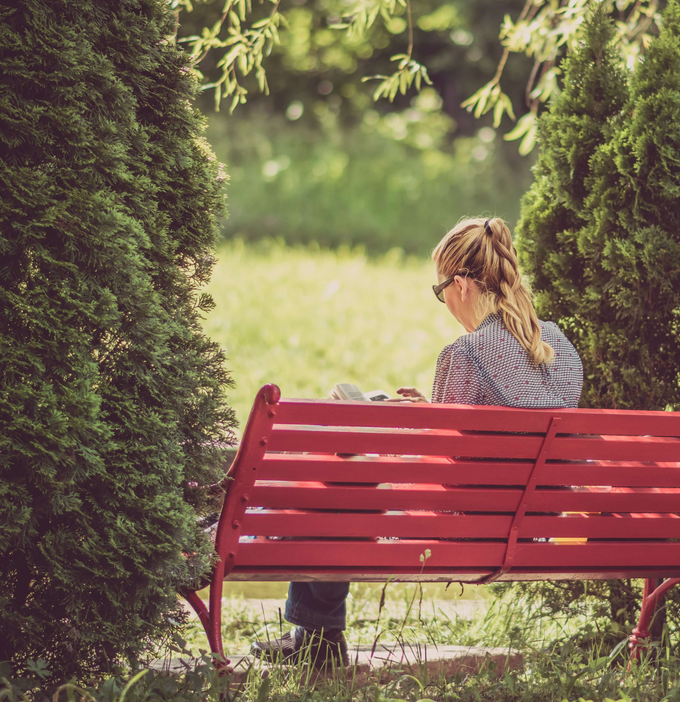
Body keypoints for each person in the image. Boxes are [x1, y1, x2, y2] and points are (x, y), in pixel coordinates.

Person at [249, 217, 583, 669]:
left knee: (344, 480)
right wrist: (430, 411)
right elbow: (501, 433)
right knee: (347, 475)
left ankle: (314, 635)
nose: (443, 300)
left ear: (461, 284)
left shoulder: (466, 354)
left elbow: (441, 466)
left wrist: (392, 429)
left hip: (463, 531)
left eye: (440, 288)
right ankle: (311, 634)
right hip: (530, 524)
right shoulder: (560, 347)